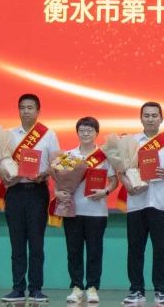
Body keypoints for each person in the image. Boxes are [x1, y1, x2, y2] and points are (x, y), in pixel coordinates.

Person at [122, 102, 164, 305]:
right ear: (141, 118)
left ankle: (161, 291)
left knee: (161, 250)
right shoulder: (131, 142)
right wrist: (127, 185)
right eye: (147, 115)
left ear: (161, 118)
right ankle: (136, 291)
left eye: (154, 115)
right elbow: (121, 170)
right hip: (136, 202)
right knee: (135, 249)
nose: (150, 119)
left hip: (161, 204)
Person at [0, 93, 61, 303]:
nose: (26, 111)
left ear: (38, 111)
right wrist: (5, 175)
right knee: (17, 243)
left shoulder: (49, 135)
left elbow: (56, 164)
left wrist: (44, 174)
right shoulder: (9, 135)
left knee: (36, 243)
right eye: (22, 108)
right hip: (15, 192)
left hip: (37, 192)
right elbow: (0, 163)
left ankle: (36, 289)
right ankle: (17, 288)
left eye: (30, 108)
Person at [59, 117, 117, 304]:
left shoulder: (104, 156)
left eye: (90, 130)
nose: (86, 134)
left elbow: (113, 181)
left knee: (94, 252)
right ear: (77, 133)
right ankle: (76, 287)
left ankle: (92, 287)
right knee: (73, 251)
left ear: (96, 133)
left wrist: (105, 191)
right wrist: (58, 193)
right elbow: (60, 183)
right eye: (82, 130)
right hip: (72, 211)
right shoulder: (69, 155)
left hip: (97, 212)